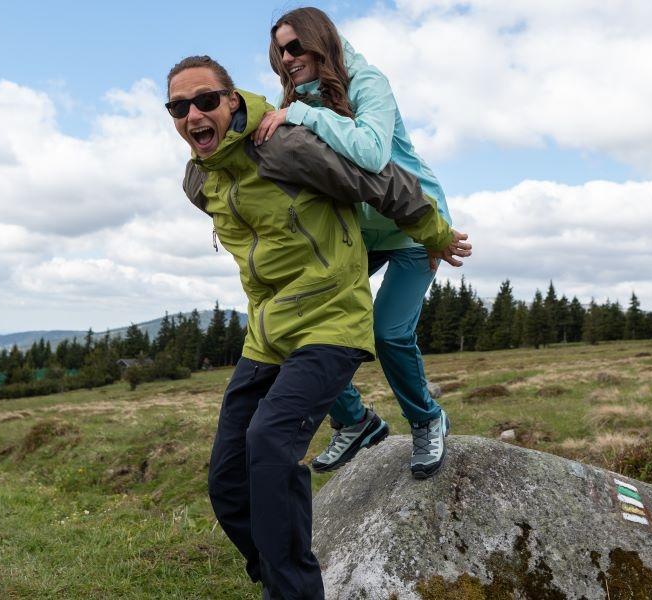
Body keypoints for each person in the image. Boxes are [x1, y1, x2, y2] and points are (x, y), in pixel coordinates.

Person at [166, 56, 469, 599]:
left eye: (205, 100)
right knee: (228, 481)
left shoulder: (283, 145)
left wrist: (435, 233)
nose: (193, 115)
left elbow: (380, 179)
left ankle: (294, 590)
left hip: (331, 320)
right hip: (268, 334)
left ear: (232, 100)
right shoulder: (199, 179)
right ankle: (279, 575)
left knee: (270, 442)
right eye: (179, 107)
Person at [255, 7, 466, 479]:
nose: (286, 58)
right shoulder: (296, 99)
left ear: (320, 40)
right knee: (303, 318)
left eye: (294, 46)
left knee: (388, 333)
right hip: (358, 232)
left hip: (414, 225)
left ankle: (427, 419)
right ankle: (355, 421)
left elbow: (372, 153)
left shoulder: (368, 83)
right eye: (279, 51)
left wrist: (302, 115)